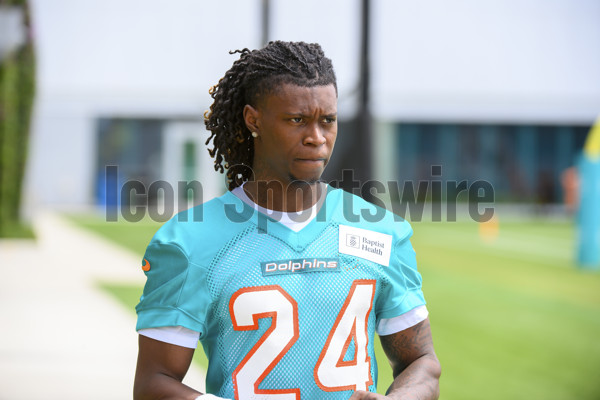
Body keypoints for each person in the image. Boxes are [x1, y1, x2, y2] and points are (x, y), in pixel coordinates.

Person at [133, 41, 441, 400]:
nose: (316, 138)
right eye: (297, 120)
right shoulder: (190, 242)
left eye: (328, 120)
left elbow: (422, 362)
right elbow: (153, 383)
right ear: (254, 120)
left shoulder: (381, 231)